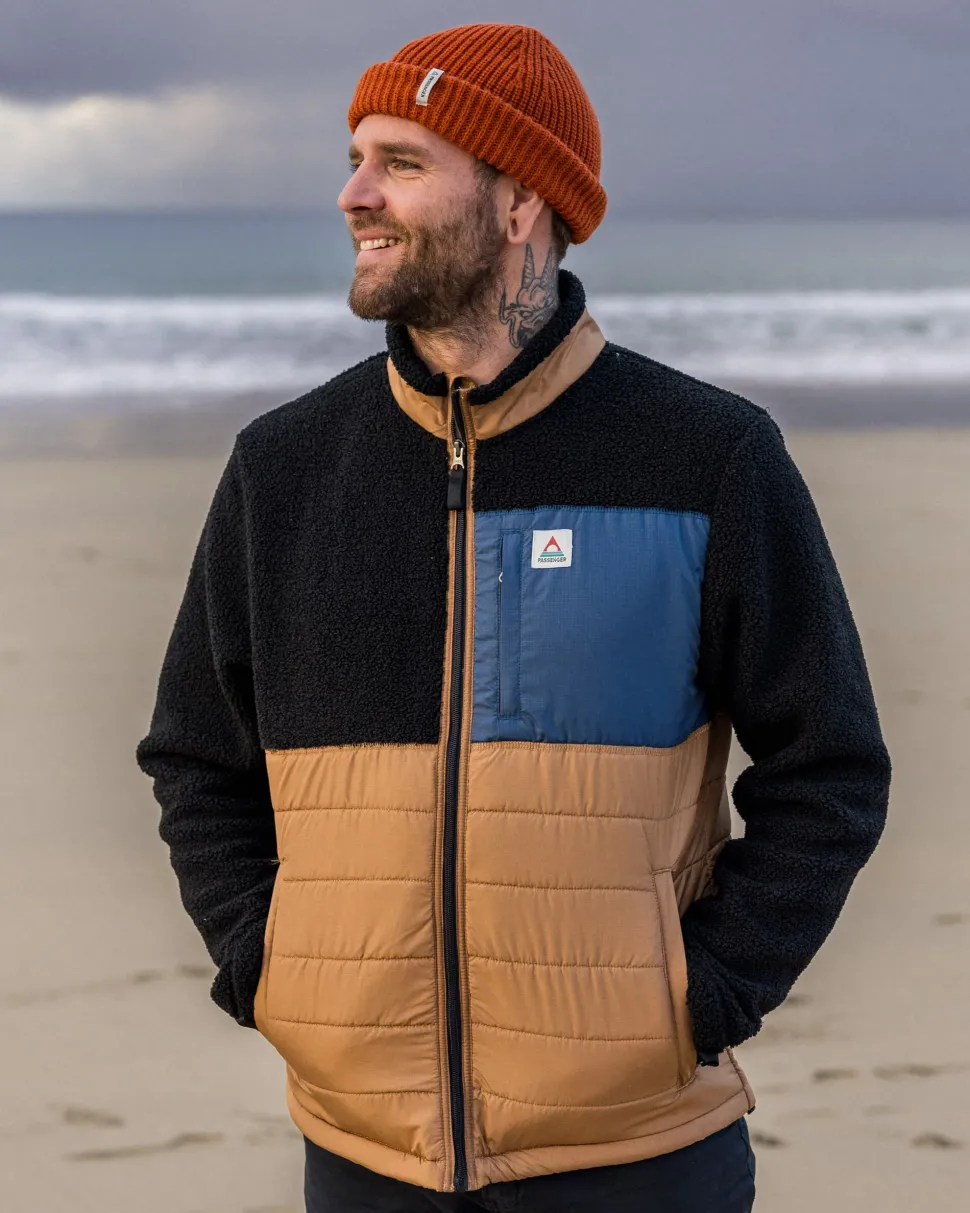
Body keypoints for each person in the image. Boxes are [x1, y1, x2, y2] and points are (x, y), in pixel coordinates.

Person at [135, 22, 891, 1213]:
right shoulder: (284, 470)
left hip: (636, 1155)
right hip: (365, 1156)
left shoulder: (705, 458)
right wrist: (267, 966)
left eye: (400, 162)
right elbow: (195, 754)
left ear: (520, 203)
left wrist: (702, 994)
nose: (353, 194)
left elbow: (829, 762)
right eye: (354, 158)